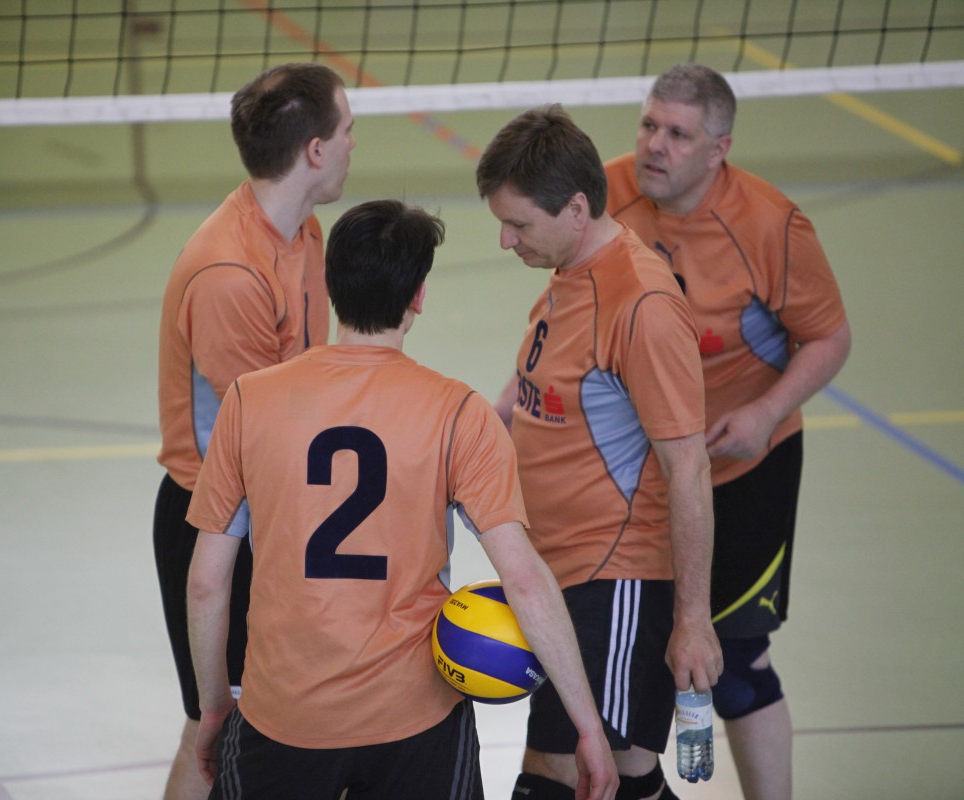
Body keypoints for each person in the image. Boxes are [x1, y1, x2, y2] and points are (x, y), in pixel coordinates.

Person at [185, 200, 619, 800]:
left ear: (330, 285)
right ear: (418, 296)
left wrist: (214, 707)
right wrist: (588, 727)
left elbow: (207, 583)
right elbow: (523, 578)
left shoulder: (247, 401)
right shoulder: (460, 413)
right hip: (417, 720)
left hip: (283, 716)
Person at [604, 63, 851, 800]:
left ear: (719, 149)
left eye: (678, 134)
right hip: (640, 468)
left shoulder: (769, 225)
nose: (655, 145)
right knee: (632, 650)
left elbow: (830, 337)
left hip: (744, 465)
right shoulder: (608, 194)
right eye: (649, 124)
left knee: (736, 659)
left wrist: (766, 413)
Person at [477, 105, 723, 800]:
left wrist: (692, 621)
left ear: (576, 209)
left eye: (519, 224)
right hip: (557, 577)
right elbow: (528, 395)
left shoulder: (641, 305)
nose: (504, 240)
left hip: (613, 581)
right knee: (628, 776)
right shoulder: (569, 274)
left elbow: (688, 467)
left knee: (558, 775)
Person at [153, 61, 355, 800]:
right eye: (348, 131)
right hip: (217, 520)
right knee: (217, 728)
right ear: (315, 151)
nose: (353, 144)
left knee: (287, 723)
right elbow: (267, 434)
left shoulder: (305, 233)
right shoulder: (229, 273)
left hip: (273, 508)